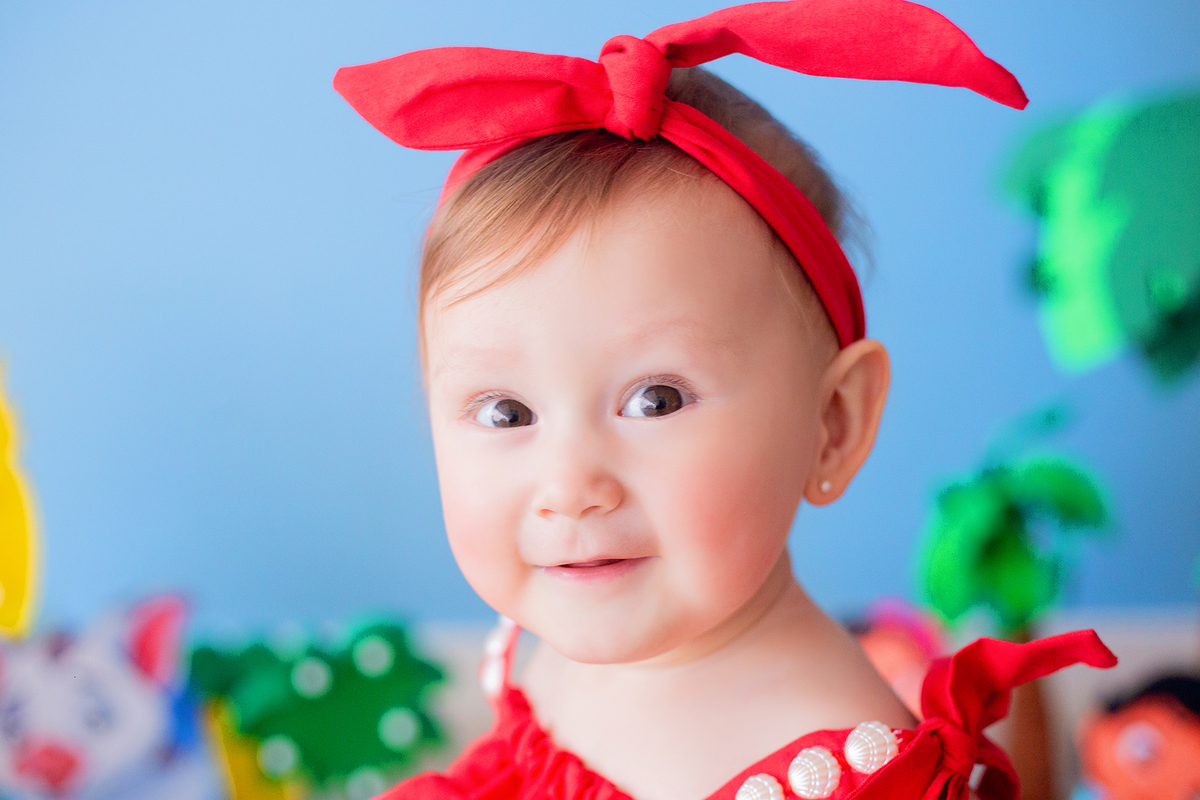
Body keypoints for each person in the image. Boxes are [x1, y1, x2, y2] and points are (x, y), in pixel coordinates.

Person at [331, 2, 1117, 798]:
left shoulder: (849, 771)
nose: (568, 487)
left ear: (832, 424)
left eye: (656, 400)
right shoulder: (567, 629)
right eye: (506, 413)